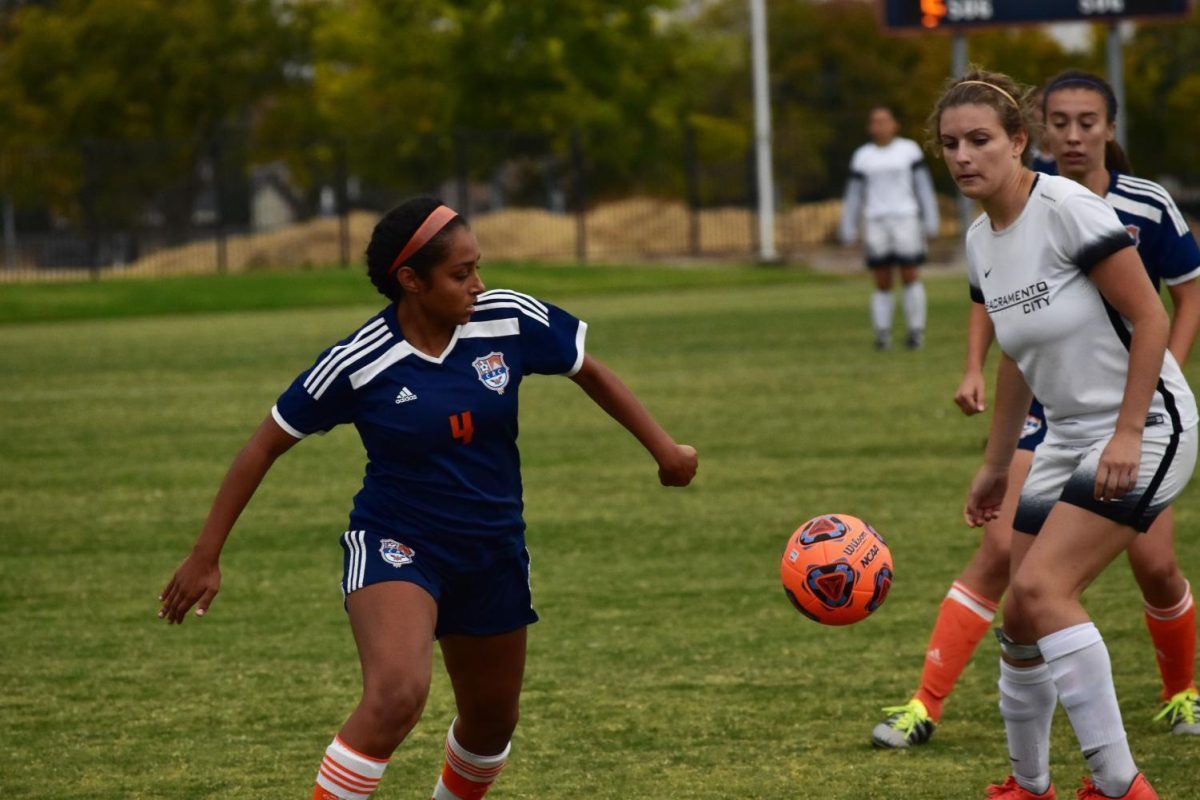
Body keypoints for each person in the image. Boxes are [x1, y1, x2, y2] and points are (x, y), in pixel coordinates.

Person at [156, 196, 699, 800]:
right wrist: (206, 554)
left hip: (491, 550)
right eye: (461, 274)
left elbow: (586, 369)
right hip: (396, 542)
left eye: (477, 267)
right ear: (410, 281)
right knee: (396, 695)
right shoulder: (358, 361)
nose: (478, 285)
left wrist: (665, 450)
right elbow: (262, 446)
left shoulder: (509, 319)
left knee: (492, 722)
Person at [871, 70, 1200, 754]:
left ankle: (1149, 734)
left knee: (1134, 573)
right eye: (950, 144)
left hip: (1131, 420)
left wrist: (1134, 424)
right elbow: (1015, 347)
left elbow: (1158, 312)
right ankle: (965, 733)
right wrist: (993, 463)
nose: (962, 155)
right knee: (1018, 591)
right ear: (1042, 129)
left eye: (978, 140)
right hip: (1058, 424)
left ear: (1018, 142)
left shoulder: (1087, 208)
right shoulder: (984, 237)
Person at [838, 105, 941, 350]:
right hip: (876, 221)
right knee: (882, 278)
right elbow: (854, 195)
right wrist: (848, 225)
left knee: (910, 274)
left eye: (885, 121)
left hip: (906, 218)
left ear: (895, 125)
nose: (880, 126)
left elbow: (923, 187)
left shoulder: (908, 151)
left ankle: (916, 331)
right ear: (869, 127)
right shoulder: (863, 156)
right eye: (875, 121)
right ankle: (882, 333)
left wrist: (931, 219)